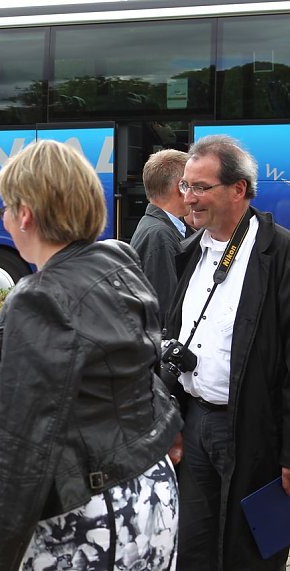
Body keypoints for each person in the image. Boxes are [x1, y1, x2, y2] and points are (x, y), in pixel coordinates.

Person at [0, 140, 182, 570]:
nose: (5, 220)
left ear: (26, 214)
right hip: (149, 498)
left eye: (5, 209)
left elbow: (20, 453)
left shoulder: (37, 299)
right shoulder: (118, 260)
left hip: (86, 519)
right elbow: (105, 381)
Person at [165, 134, 290, 570]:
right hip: (195, 422)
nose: (189, 199)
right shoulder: (190, 251)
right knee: (193, 548)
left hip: (256, 430)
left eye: (201, 187)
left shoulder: (281, 254)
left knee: (253, 551)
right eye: (185, 186)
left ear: (238, 189)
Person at [130, 149, 189, 319]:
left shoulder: (156, 228)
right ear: (181, 187)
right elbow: (166, 310)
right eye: (192, 184)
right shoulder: (159, 235)